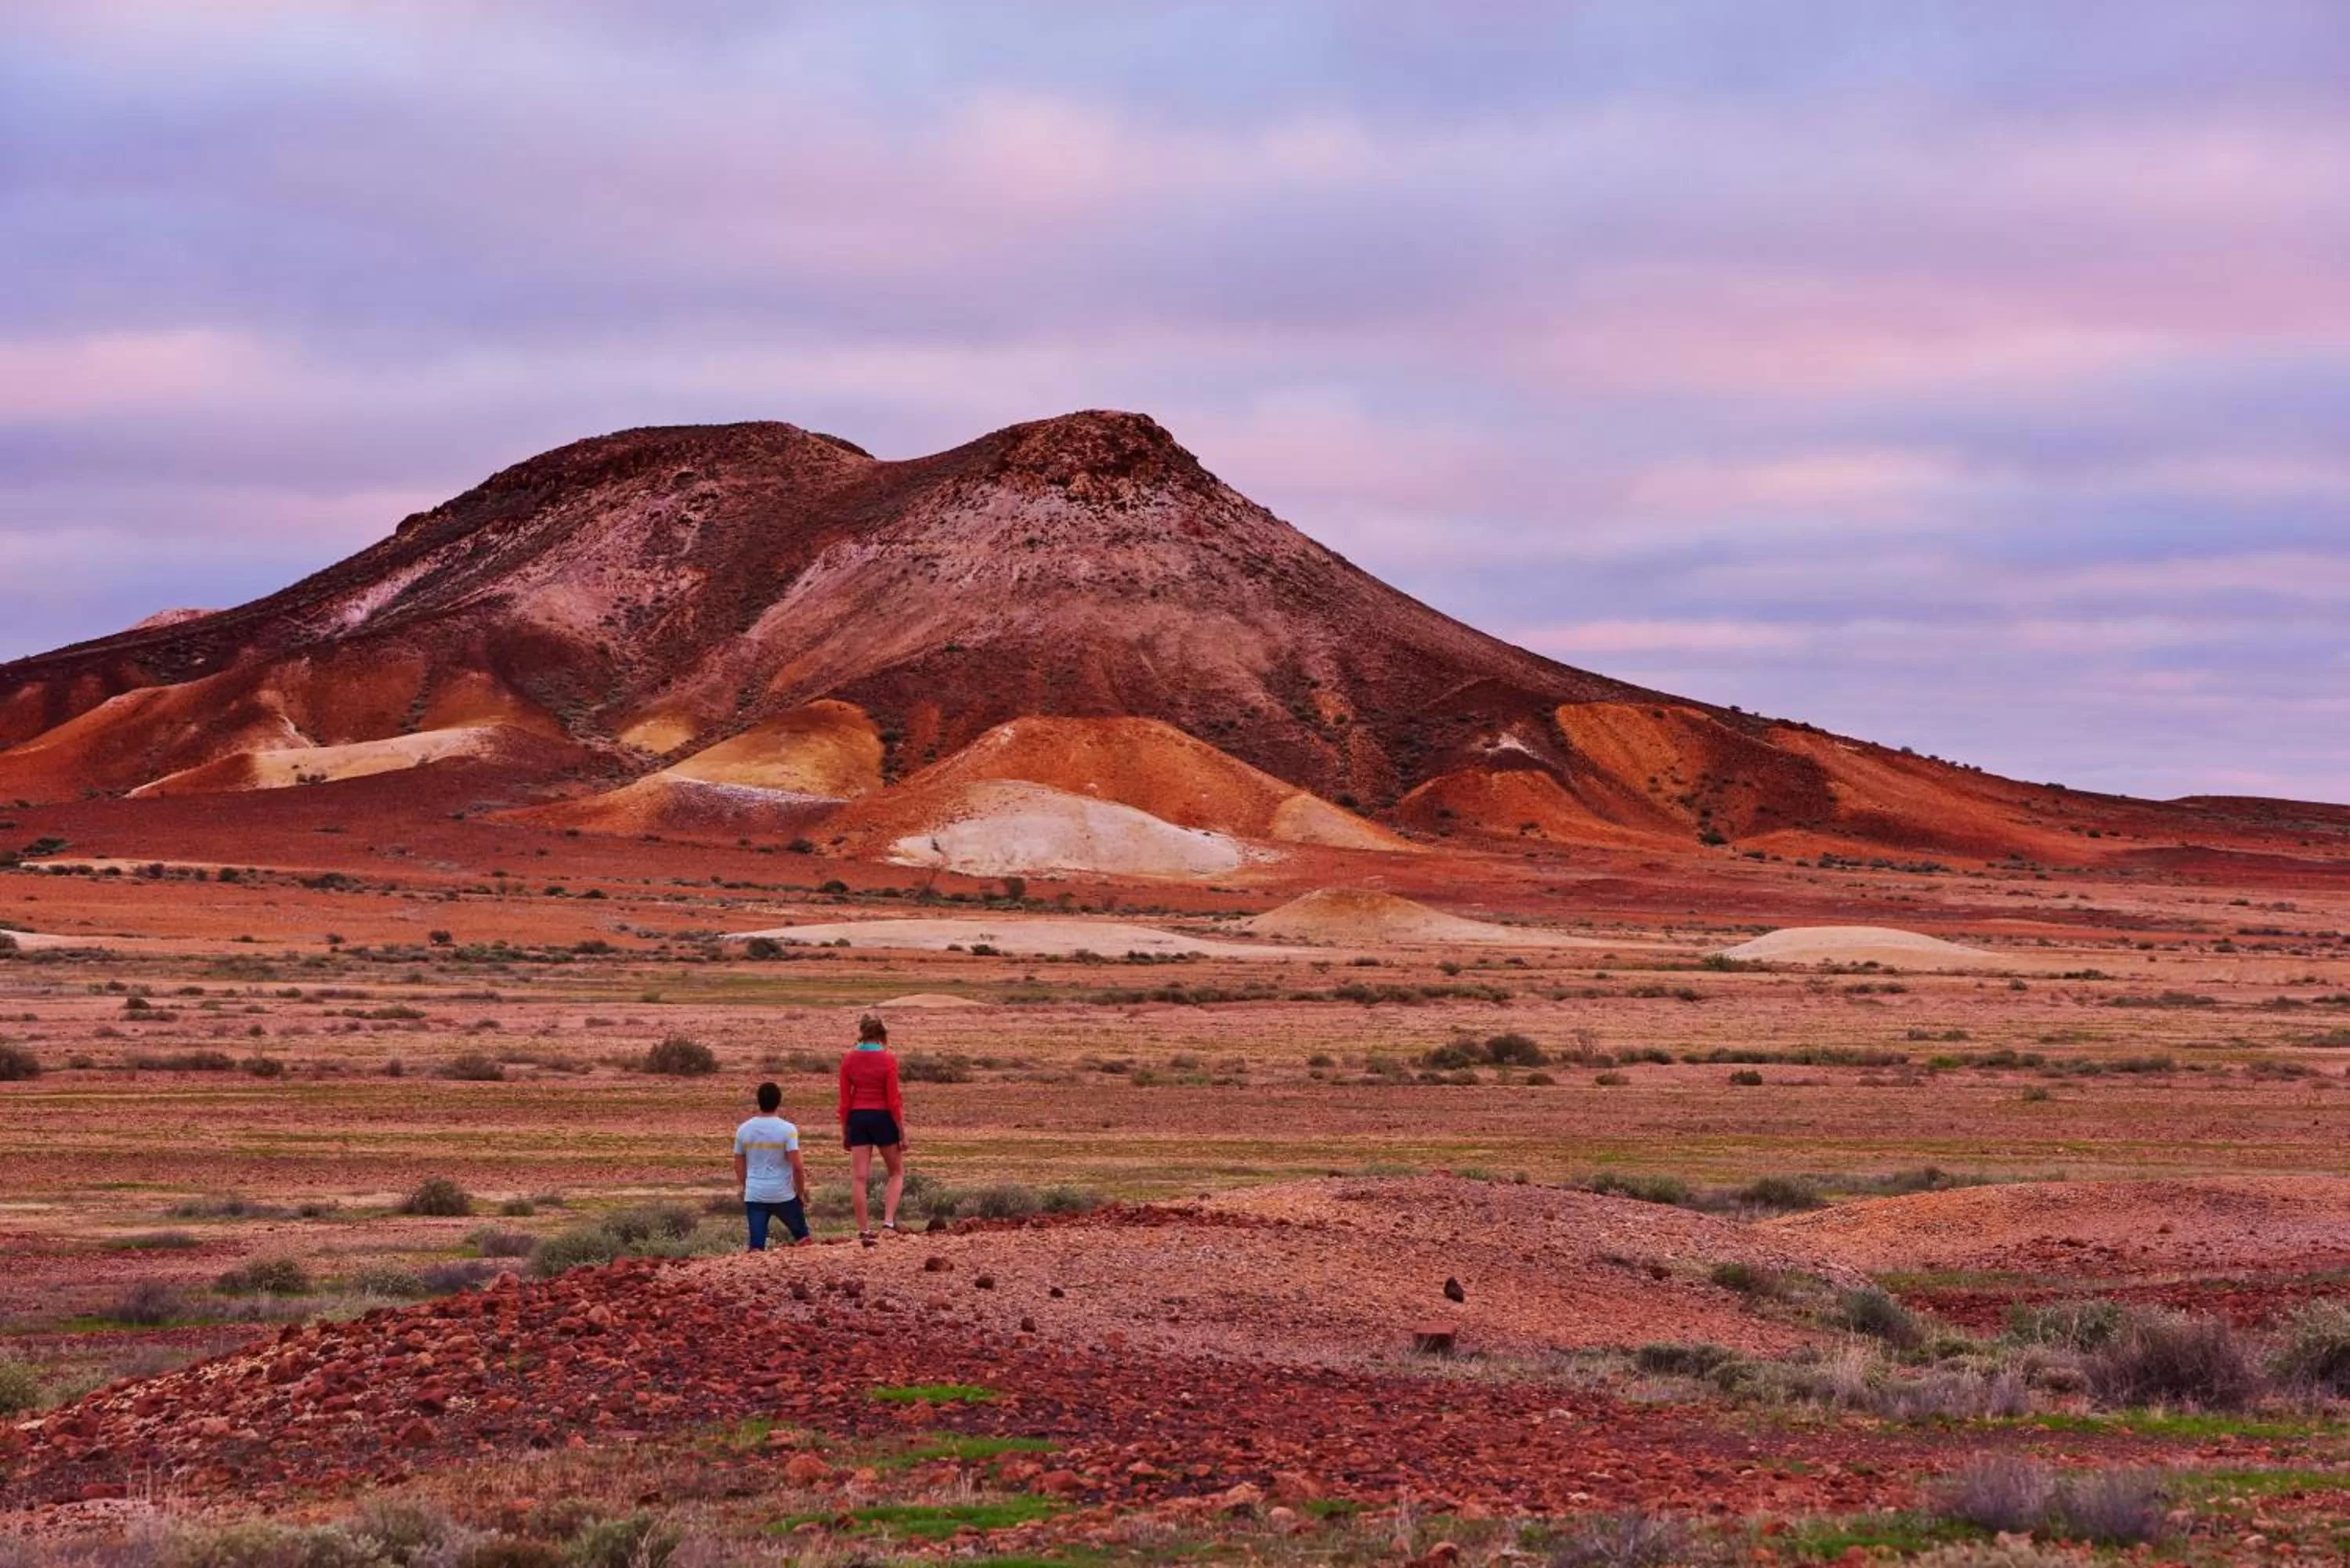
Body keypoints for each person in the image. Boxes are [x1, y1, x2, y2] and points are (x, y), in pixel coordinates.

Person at [837, 1012, 907, 1245]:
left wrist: (845, 1130)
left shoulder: (849, 1059)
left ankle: (864, 1230)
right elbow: (893, 1100)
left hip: (857, 1117)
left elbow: (845, 1100)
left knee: (859, 1178)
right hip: (883, 1117)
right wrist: (901, 1131)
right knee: (896, 1172)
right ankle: (888, 1222)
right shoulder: (888, 1060)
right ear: (881, 1034)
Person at [734, 1080, 810, 1250]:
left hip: (755, 1195)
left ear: (758, 1101)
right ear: (779, 1101)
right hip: (783, 1194)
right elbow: (797, 1166)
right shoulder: (787, 1129)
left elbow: (738, 1165)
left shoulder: (744, 1129)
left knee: (756, 1247)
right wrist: (800, 1194)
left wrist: (749, 1185)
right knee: (804, 1240)